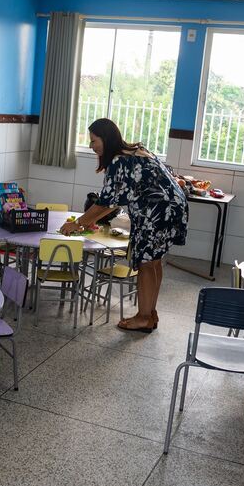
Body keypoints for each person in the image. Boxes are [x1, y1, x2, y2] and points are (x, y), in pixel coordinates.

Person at [60, 118, 188, 333]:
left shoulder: (119, 161)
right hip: (171, 209)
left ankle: (144, 317)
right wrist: (86, 221)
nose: (92, 147)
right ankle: (150, 313)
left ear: (106, 138)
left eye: (94, 141)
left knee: (146, 264)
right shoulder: (136, 150)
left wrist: (79, 224)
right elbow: (115, 200)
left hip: (155, 213)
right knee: (154, 262)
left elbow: (107, 202)